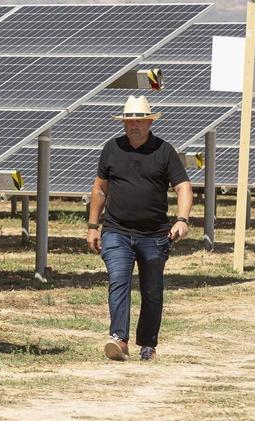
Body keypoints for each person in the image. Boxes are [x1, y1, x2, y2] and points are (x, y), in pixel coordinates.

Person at [86, 95, 194, 361]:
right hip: (116, 230)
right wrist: (92, 225)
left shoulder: (164, 151)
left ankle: (148, 344)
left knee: (152, 289)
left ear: (149, 122)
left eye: (138, 121)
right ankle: (118, 340)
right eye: (128, 121)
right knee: (119, 281)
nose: (133, 126)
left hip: (155, 235)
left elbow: (183, 187)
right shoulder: (112, 149)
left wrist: (182, 219)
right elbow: (100, 188)